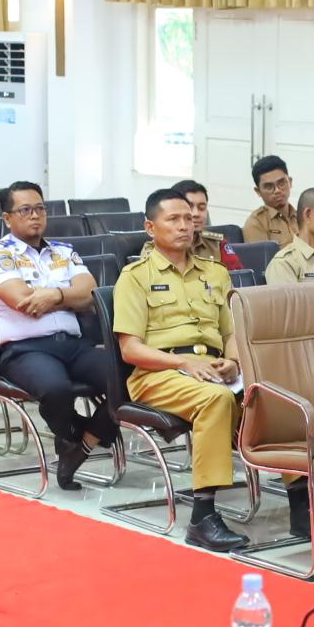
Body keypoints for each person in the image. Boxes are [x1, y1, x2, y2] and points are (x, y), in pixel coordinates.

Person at [112, 192, 248, 552]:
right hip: (158, 374)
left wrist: (233, 361)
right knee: (216, 399)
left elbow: (231, 333)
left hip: (212, 368)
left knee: (272, 395)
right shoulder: (135, 277)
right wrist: (185, 363)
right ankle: (203, 517)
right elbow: (130, 349)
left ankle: (300, 502)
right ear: (150, 227)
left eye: (188, 218)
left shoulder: (215, 273)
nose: (185, 226)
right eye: (173, 219)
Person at [0, 183, 116, 491]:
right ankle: (73, 434)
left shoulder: (63, 252)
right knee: (56, 389)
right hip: (26, 349)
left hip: (74, 345)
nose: (35, 215)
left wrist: (53, 295)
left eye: (40, 208)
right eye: (25, 210)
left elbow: (90, 294)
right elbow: (24, 302)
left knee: (129, 378)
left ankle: (82, 443)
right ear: (7, 218)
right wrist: (69, 296)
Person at [242, 155, 298, 245]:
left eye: (281, 183)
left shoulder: (303, 217)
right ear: (258, 191)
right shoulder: (256, 223)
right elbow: (262, 254)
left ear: (290, 182)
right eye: (269, 187)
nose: (277, 190)